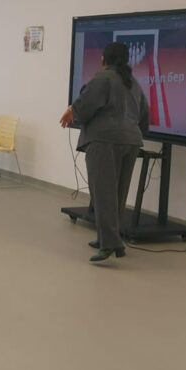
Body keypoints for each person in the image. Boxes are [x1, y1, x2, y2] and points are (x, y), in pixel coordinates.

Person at [60, 42, 149, 263]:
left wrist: (72, 111)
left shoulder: (103, 78)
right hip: (131, 142)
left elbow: (86, 105)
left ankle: (109, 244)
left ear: (103, 59)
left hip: (105, 141)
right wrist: (132, 133)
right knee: (118, 193)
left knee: (102, 193)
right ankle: (107, 237)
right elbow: (145, 114)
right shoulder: (133, 83)